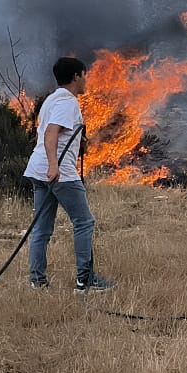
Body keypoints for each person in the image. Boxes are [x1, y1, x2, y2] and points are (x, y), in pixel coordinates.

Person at [25, 56, 113, 293]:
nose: (86, 80)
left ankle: (37, 281)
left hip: (37, 168)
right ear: (76, 76)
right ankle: (86, 281)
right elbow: (52, 133)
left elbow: (46, 132)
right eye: (85, 75)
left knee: (42, 228)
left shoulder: (51, 100)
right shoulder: (68, 103)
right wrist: (54, 166)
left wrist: (78, 142)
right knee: (84, 222)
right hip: (59, 172)